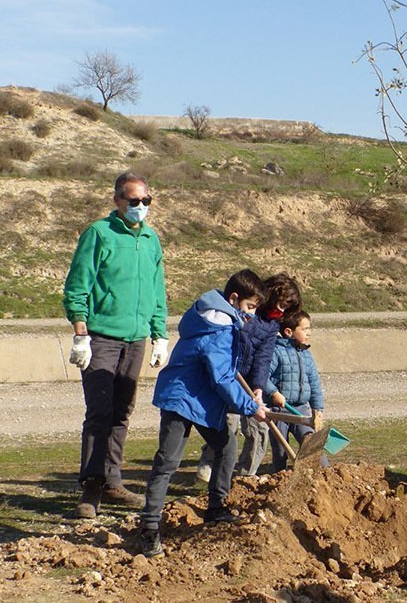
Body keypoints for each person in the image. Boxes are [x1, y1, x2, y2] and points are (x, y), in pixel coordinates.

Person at [139, 270, 269, 558]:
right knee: (168, 461)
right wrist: (250, 408)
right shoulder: (218, 328)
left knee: (226, 447)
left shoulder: (221, 320)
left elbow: (227, 370)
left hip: (201, 401)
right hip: (181, 398)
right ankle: (149, 528)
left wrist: (253, 395)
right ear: (233, 299)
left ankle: (216, 507)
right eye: (250, 307)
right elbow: (221, 378)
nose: (251, 314)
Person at [62, 171, 169, 519]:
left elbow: (157, 292)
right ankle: (91, 486)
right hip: (102, 337)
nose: (140, 207)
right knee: (99, 412)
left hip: (136, 338)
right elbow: (77, 286)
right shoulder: (99, 233)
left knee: (122, 411)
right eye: (133, 201)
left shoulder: (151, 240)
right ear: (117, 201)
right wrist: (81, 333)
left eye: (145, 201)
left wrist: (159, 335)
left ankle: (113, 480)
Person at [235, 273, 302, 476]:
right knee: (225, 429)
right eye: (281, 304)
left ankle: (245, 478)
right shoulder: (247, 313)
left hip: (250, 383)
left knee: (259, 431)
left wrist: (258, 387)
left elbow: (264, 357)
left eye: (287, 308)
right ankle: (210, 462)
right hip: (229, 376)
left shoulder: (273, 325)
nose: (282, 311)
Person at [263, 310, 328, 471]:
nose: (309, 333)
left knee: (311, 441)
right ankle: (278, 478)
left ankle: (324, 474)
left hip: (301, 409)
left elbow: (314, 384)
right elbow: (262, 377)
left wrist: (317, 409)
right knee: (280, 450)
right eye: (305, 329)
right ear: (289, 332)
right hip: (279, 411)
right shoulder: (276, 352)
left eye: (309, 328)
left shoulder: (306, 355)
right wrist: (274, 393)